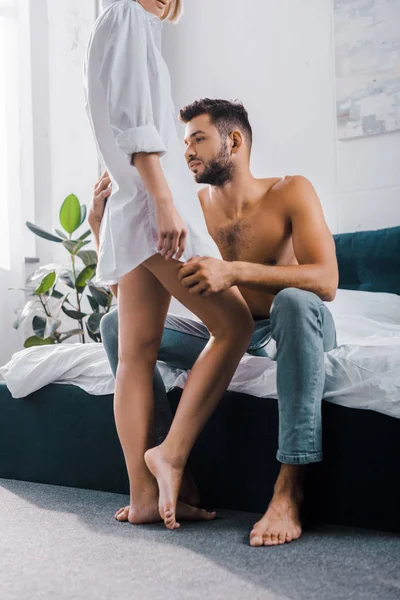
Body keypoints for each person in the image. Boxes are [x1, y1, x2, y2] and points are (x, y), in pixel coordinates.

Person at [92, 98, 339, 546]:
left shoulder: (290, 191)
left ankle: (288, 490)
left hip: (287, 326)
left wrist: (235, 271)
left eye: (199, 140)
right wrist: (99, 228)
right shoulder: (189, 208)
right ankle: (170, 468)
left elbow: (326, 281)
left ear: (235, 141)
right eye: (184, 143)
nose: (187, 153)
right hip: (230, 336)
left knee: (295, 302)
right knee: (114, 326)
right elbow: (137, 302)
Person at [85, 0, 254, 531]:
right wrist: (164, 201)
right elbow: (137, 126)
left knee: (136, 351)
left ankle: (142, 497)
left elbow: (119, 123)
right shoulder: (129, 17)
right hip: (147, 206)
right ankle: (171, 453)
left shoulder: (110, 21)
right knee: (234, 325)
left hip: (130, 206)